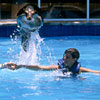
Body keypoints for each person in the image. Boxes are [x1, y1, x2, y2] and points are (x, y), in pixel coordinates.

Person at [1, 48, 100, 75]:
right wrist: (21, 65)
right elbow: (39, 68)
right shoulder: (58, 68)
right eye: (64, 56)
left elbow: (96, 72)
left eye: (68, 57)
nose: (64, 59)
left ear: (75, 59)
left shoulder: (79, 70)